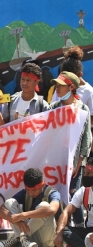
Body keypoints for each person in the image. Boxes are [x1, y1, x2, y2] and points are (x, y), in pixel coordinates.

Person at [50, 71, 92, 228]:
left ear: (71, 87)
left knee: (75, 194)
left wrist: (80, 161)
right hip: (56, 161)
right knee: (58, 193)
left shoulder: (83, 109)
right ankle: (61, 226)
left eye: (61, 86)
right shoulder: (53, 107)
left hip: (75, 163)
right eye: (56, 85)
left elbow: (86, 138)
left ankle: (80, 227)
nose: (57, 89)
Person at [0, 168, 61, 247]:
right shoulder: (25, 193)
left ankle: (17, 238)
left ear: (43, 184)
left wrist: (22, 215)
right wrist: (17, 221)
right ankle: (21, 238)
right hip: (29, 239)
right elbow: (0, 211)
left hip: (46, 239)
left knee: (44, 206)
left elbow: (52, 209)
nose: (30, 193)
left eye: (34, 190)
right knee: (9, 202)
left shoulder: (52, 193)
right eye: (28, 190)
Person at [54, 160, 93, 247]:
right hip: (88, 231)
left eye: (89, 173)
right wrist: (59, 234)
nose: (85, 176)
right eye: (85, 173)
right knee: (63, 230)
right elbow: (66, 212)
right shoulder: (84, 191)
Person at [51, 46, 93, 122]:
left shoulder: (89, 92)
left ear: (80, 75)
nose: (67, 84)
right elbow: (51, 113)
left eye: (71, 80)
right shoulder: (59, 89)